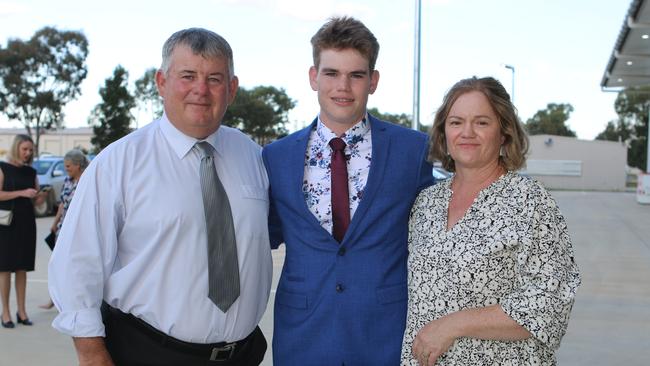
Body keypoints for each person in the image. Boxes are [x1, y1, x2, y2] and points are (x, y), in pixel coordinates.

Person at [48, 28, 272, 366]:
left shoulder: (254, 157)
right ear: (161, 82)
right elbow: (77, 264)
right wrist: (92, 354)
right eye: (187, 76)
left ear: (232, 88)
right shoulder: (118, 162)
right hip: (145, 353)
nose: (201, 89)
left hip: (242, 355)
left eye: (214, 78)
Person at [263, 16, 435, 364]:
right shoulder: (275, 157)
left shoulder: (413, 150)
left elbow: (435, 237)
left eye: (356, 75)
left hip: (384, 334)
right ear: (314, 77)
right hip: (303, 335)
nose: (343, 86)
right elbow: (257, 235)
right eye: (331, 73)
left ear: (373, 81)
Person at [401, 76, 581, 365]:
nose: (467, 132)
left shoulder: (528, 201)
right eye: (456, 122)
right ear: (443, 133)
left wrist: (453, 324)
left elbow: (551, 300)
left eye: (482, 122)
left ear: (504, 133)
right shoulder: (426, 203)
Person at [0, 134, 47, 328]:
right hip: (6, 223)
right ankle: (6, 313)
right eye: (24, 149)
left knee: (22, 268)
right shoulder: (3, 168)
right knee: (4, 269)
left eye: (30, 150)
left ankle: (22, 311)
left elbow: (34, 199)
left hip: (27, 222)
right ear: (16, 148)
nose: (28, 153)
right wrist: (21, 193)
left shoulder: (31, 172)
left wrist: (40, 198)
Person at [39, 149, 89, 310]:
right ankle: (55, 298)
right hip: (63, 229)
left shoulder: (87, 181)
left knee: (76, 266)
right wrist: (55, 224)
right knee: (59, 264)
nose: (66, 169)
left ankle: (75, 300)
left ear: (78, 165)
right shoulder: (68, 181)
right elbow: (62, 204)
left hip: (79, 230)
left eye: (68, 166)